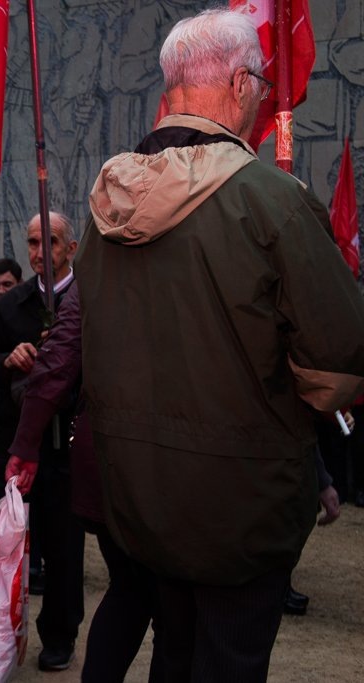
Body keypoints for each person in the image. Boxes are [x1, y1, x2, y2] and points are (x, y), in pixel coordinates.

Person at [76, 9, 364, 681]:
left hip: (138, 491)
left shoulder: (105, 204)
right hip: (243, 498)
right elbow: (337, 360)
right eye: (260, 83)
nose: (262, 96)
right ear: (238, 84)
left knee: (173, 655)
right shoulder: (272, 199)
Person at [5, 283, 165, 683]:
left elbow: (58, 360)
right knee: (164, 599)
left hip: (118, 454)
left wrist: (26, 440)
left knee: (132, 589)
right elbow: (59, 358)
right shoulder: (103, 274)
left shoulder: (99, 270)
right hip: (162, 458)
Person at [0, 210, 85, 671]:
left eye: (51, 241)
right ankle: (2, 629)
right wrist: (9, 360)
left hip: (67, 446)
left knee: (64, 547)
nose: (41, 251)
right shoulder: (9, 306)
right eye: (33, 242)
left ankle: (60, 633)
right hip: (19, 444)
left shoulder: (88, 300)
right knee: (11, 545)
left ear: (71, 248)